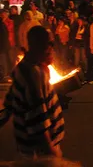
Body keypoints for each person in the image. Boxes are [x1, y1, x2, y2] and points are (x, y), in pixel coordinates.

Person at [0, 26, 64, 158]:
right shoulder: (34, 74)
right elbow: (38, 120)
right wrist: (51, 151)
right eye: (50, 43)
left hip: (30, 149)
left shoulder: (23, 67)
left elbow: (9, 104)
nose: (52, 48)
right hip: (38, 152)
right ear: (39, 46)